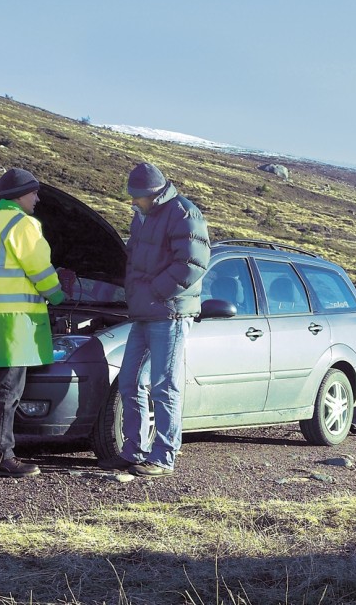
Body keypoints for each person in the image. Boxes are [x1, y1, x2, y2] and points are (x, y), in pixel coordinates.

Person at [98, 162, 210, 477]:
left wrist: (156, 293)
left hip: (171, 312)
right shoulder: (143, 216)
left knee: (165, 385)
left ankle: (163, 456)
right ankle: (133, 450)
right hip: (145, 312)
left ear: (154, 193)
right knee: (130, 380)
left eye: (138, 197)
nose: (133, 202)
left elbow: (193, 262)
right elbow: (134, 259)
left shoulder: (184, 213)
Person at [0, 168, 66, 477]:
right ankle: (3, 456)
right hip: (14, 320)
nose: (37, 199)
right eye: (34, 193)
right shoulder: (23, 224)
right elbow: (39, 268)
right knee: (7, 392)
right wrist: (59, 296)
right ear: (21, 195)